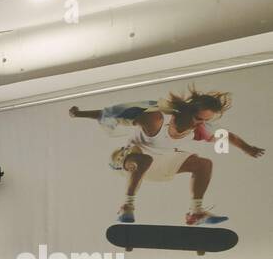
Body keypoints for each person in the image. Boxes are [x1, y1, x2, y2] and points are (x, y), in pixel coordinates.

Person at [70, 86, 264, 225]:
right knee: (145, 159)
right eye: (198, 119)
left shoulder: (199, 128)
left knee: (204, 164)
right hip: (127, 160)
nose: (199, 125)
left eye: (205, 121)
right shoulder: (156, 117)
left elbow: (227, 136)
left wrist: (248, 148)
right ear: (187, 110)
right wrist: (80, 114)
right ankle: (126, 207)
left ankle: (195, 213)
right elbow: (115, 113)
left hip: (161, 165)